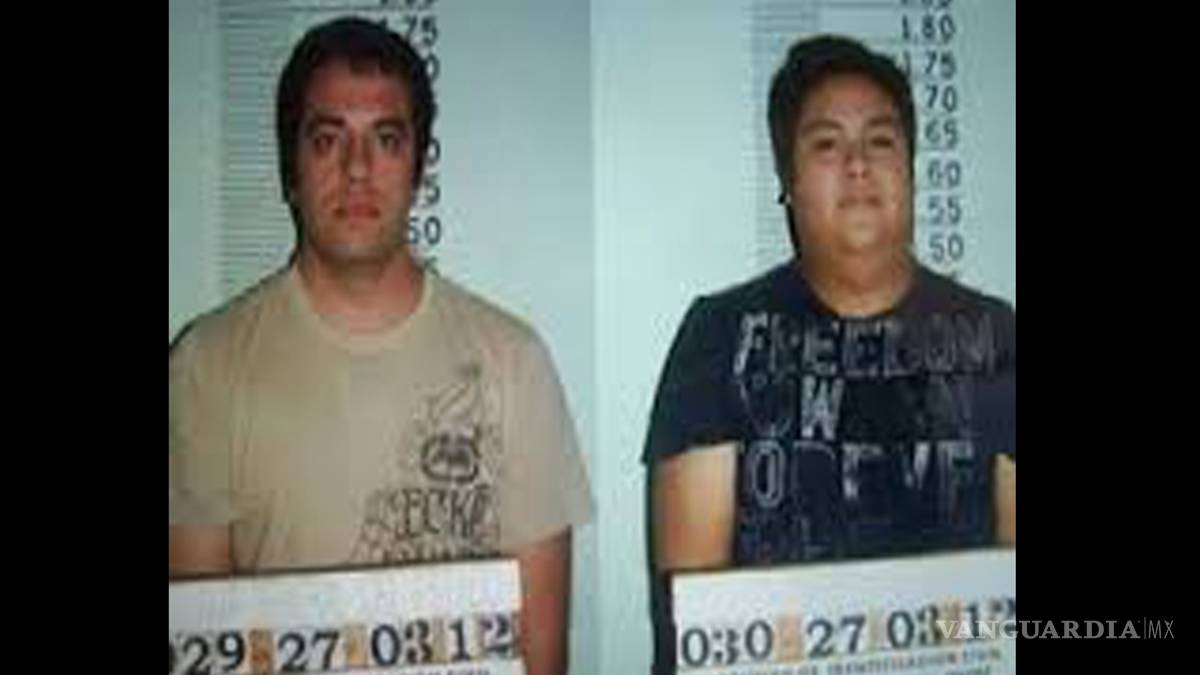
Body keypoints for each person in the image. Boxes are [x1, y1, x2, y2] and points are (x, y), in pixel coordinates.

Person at [168, 17, 593, 675]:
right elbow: (198, 644)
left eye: (386, 140)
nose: (357, 169)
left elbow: (540, 656)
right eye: (327, 139)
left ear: (419, 168)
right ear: (291, 167)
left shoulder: (514, 362)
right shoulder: (205, 366)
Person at [643, 34, 1015, 672]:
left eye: (881, 140)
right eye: (826, 144)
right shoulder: (720, 337)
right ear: (788, 182)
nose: (858, 164)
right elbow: (695, 621)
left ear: (911, 168)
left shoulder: (997, 338)